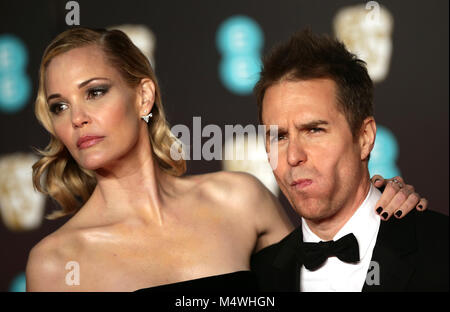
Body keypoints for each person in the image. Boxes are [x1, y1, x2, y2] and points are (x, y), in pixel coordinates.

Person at [25, 27, 426, 292]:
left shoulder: (239, 200)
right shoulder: (54, 263)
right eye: (59, 106)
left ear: (143, 96)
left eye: (94, 92)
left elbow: (327, 259)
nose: (77, 118)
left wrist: (379, 208)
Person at [250, 29, 448, 292]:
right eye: (279, 137)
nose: (293, 156)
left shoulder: (440, 248)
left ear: (364, 137)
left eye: (314, 130)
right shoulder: (255, 277)